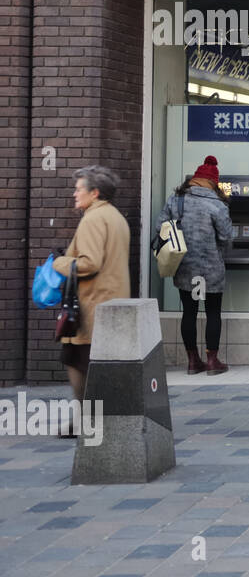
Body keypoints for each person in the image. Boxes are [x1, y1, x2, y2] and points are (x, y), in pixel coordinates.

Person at [53, 167, 130, 432]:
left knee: (75, 358)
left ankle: (86, 420)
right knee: (89, 363)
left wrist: (59, 262)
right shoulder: (115, 217)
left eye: (79, 189)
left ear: (94, 192)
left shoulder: (94, 219)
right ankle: (88, 419)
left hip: (92, 305)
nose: (75, 193)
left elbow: (89, 263)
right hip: (110, 301)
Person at [154, 156, 233, 375]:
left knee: (188, 312)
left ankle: (192, 361)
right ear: (212, 182)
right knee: (212, 312)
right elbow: (227, 237)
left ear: (194, 179)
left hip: (184, 266)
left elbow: (160, 226)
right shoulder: (217, 204)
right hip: (211, 269)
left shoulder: (176, 200)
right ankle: (212, 361)